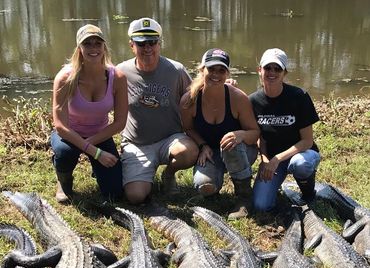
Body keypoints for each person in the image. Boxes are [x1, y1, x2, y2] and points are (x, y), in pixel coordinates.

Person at [116, 17, 198, 205]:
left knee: (189, 152)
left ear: (159, 44)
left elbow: (194, 98)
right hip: (137, 144)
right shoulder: (121, 72)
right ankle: (143, 173)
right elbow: (99, 94)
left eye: (152, 42)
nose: (147, 48)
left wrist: (224, 87)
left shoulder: (176, 70)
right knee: (135, 196)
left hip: (170, 140)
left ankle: (168, 175)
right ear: (131, 45)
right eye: (141, 43)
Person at [51, 24, 128, 203]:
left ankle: (99, 171)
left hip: (99, 135)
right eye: (87, 44)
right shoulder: (65, 78)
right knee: (64, 152)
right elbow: (60, 126)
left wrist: (89, 146)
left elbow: (120, 123)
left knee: (114, 194)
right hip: (69, 135)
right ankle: (64, 181)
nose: (93, 48)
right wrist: (96, 153)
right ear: (79, 49)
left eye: (97, 43)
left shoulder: (117, 77)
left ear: (104, 47)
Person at [180, 48, 260, 219]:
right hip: (211, 153)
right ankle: (215, 184)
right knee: (204, 187)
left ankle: (244, 197)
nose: (216, 74)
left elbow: (255, 133)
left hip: (240, 151)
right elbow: (188, 129)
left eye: (221, 70)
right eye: (211, 69)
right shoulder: (189, 100)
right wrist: (203, 145)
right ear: (202, 70)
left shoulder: (238, 98)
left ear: (227, 73)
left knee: (230, 142)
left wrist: (241, 135)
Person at [249, 48, 321, 212]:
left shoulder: (299, 96)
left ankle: (308, 193)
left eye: (277, 68)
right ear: (259, 70)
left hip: (300, 154)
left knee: (300, 164)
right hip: (273, 159)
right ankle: (276, 188)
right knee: (261, 205)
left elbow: (307, 141)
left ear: (285, 72)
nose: (272, 72)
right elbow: (258, 136)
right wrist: (265, 159)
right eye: (268, 68)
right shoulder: (252, 101)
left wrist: (277, 159)